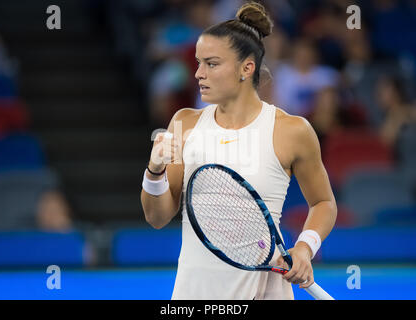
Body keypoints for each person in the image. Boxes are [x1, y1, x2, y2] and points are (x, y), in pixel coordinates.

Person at [141, 2, 337, 300]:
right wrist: (154, 172)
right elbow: (157, 218)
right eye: (198, 62)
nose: (198, 74)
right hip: (194, 293)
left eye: (212, 63)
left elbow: (324, 202)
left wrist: (304, 247)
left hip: (264, 290)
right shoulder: (184, 123)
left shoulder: (292, 131)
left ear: (247, 68)